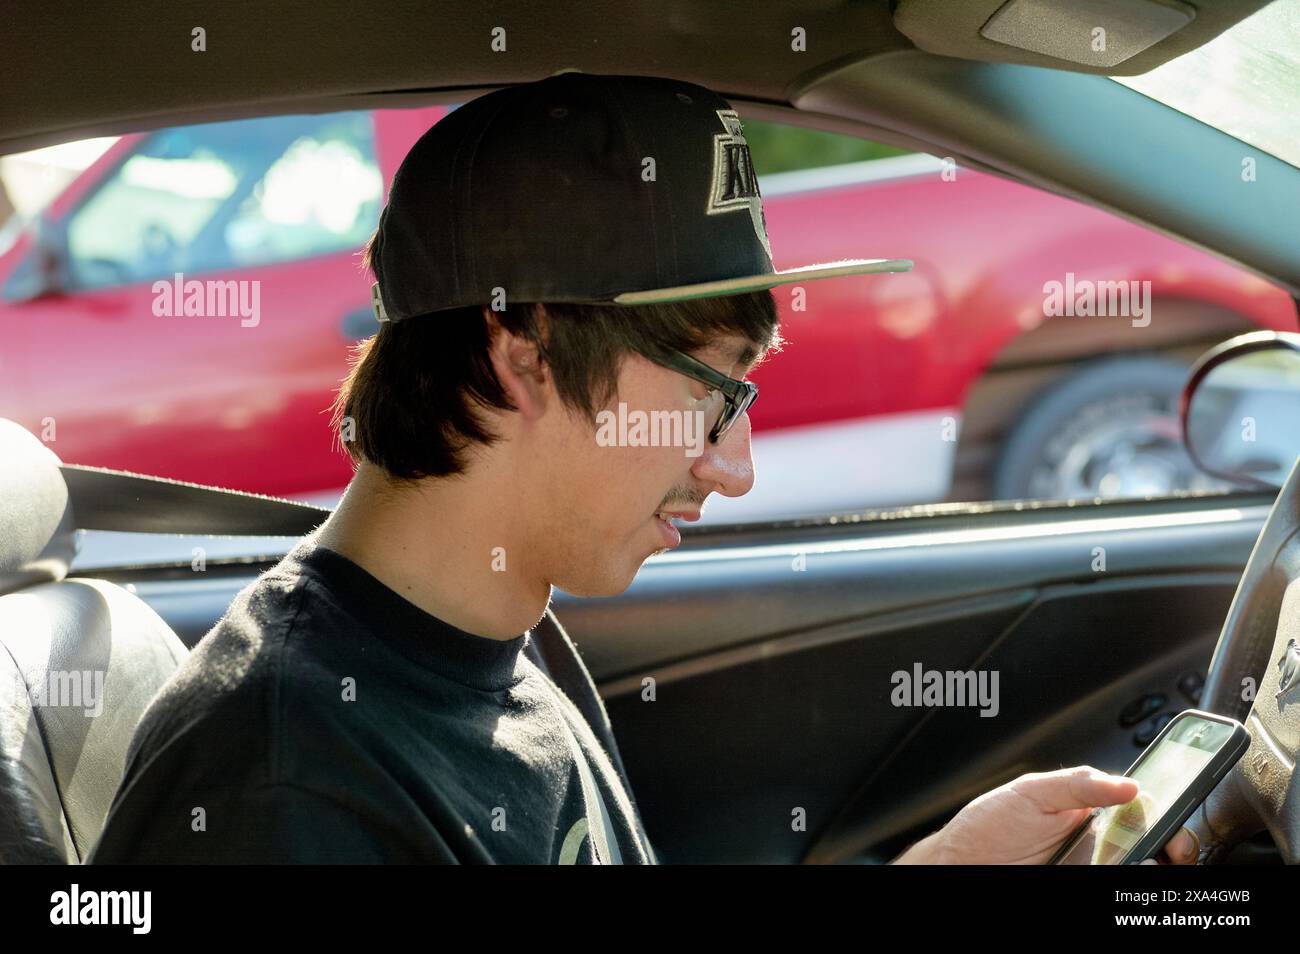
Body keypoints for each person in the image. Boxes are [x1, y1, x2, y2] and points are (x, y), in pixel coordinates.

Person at [88, 71, 1198, 865]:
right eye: (712, 395)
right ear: (519, 358)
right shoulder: (290, 787)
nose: (736, 470)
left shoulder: (500, 627)